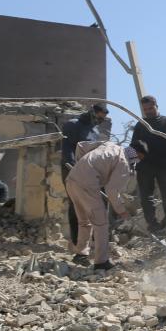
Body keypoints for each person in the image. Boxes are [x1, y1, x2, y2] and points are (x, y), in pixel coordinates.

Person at [65, 140, 144, 271]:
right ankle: (101, 262)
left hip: (72, 180)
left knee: (84, 221)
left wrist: (81, 166)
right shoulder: (123, 163)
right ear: (138, 155)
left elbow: (80, 145)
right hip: (87, 185)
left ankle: (81, 255)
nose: (139, 161)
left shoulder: (109, 144)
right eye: (140, 158)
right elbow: (112, 191)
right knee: (101, 223)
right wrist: (121, 210)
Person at [130, 95, 166, 235]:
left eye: (151, 108)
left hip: (164, 165)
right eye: (145, 109)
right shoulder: (141, 125)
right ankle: (153, 225)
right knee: (146, 196)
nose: (148, 111)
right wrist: (131, 165)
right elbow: (132, 147)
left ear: (156, 106)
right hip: (145, 167)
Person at [61, 104, 112, 244]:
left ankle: (98, 240)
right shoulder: (72, 125)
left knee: (100, 202)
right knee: (77, 206)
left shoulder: (94, 130)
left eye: (102, 120)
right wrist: (73, 167)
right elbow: (67, 149)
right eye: (98, 118)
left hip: (91, 172)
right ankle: (78, 243)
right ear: (91, 113)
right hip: (73, 170)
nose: (99, 122)